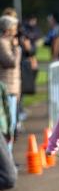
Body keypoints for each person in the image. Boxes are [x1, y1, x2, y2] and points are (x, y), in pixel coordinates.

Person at [0, 15, 21, 153]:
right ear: (8, 28)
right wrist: (17, 49)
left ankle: (9, 156)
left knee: (12, 124)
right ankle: (7, 158)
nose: (16, 30)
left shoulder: (7, 42)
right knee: (8, 125)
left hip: (13, 87)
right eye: (14, 27)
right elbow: (11, 63)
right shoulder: (2, 43)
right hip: (6, 87)